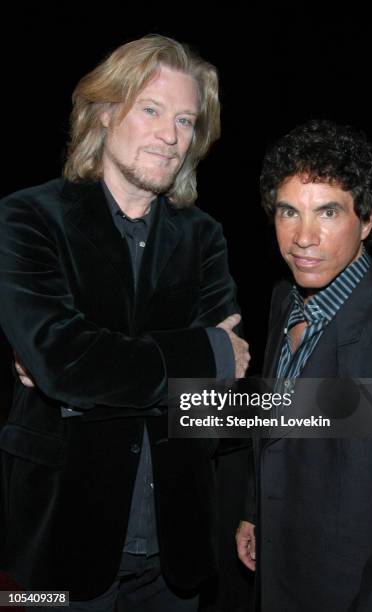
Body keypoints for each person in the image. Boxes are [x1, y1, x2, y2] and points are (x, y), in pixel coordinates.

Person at [0, 34, 250, 611]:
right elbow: (66, 364)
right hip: (58, 544)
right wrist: (202, 352)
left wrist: (84, 373)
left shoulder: (204, 236)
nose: (172, 135)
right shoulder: (29, 217)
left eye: (186, 120)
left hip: (176, 551)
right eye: (152, 109)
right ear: (105, 111)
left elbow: (218, 398)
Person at [236, 120, 372, 611]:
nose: (303, 237)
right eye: (288, 212)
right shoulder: (282, 298)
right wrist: (255, 509)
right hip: (277, 568)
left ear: (367, 220)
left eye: (328, 212)